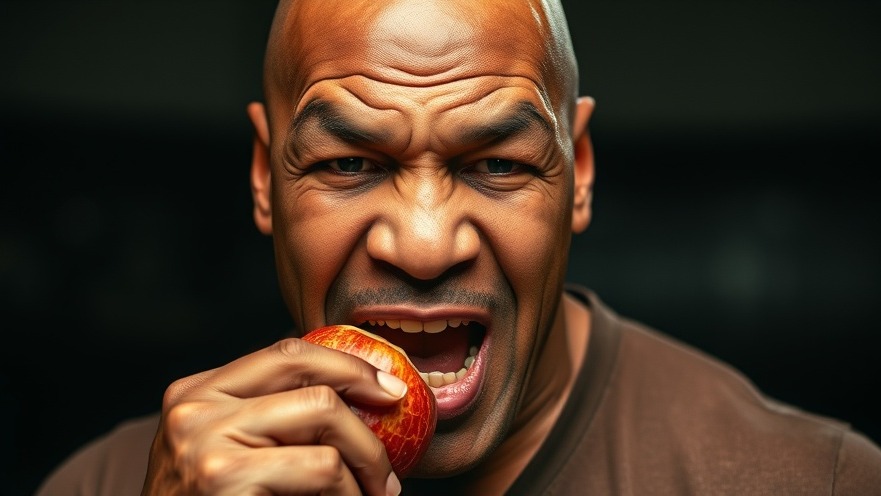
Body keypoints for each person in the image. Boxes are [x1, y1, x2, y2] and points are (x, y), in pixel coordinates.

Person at [36, 0, 881, 494]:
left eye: (498, 164)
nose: (426, 244)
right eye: (349, 163)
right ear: (265, 177)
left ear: (576, 173)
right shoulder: (105, 485)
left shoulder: (810, 481)